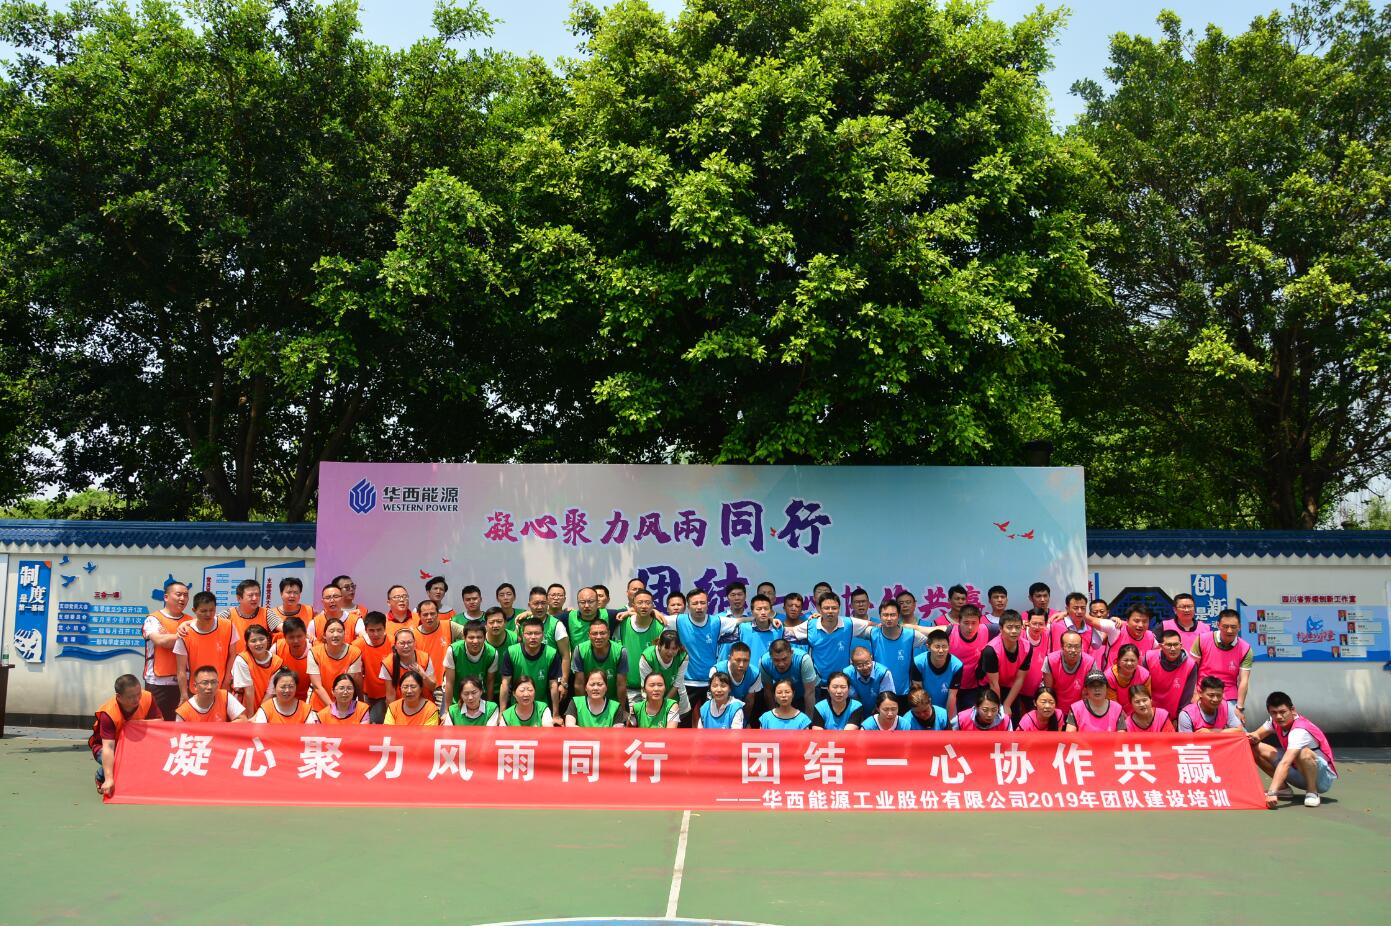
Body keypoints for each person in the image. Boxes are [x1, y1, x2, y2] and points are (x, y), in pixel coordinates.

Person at [1249, 691, 1337, 807]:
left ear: (1292, 710)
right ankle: (1283, 789)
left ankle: (1312, 793)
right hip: (1299, 772)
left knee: (1303, 753)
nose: (1279, 716)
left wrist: (1271, 792)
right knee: (1254, 747)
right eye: (1274, 713)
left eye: (1283, 712)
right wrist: (1250, 738)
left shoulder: (1299, 731)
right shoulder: (1274, 721)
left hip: (1321, 779)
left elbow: (1286, 762)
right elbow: (1256, 735)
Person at [675, 587, 748, 718]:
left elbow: (739, 620)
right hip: (687, 682)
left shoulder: (717, 621)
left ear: (707, 604)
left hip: (711, 682)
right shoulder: (679, 620)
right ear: (688, 606)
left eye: (702, 603)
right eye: (695, 603)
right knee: (683, 720)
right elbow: (656, 618)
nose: (699, 607)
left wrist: (768, 619)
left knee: (713, 720)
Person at [90, 674, 161, 796]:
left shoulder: (147, 697)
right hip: (104, 747)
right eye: (131, 697)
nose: (137, 699)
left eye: (138, 694)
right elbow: (108, 748)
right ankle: (101, 775)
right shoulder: (108, 714)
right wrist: (109, 779)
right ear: (119, 697)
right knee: (121, 761)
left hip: (133, 744)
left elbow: (159, 722)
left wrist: (134, 724)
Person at [1191, 609, 1253, 725]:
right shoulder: (1202, 640)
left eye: (1233, 627)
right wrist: (1194, 694)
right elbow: (1191, 671)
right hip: (1203, 692)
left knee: (1239, 730)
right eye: (1225, 626)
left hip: (1229, 696)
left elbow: (1244, 680)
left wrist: (1239, 708)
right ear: (1218, 625)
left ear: (1239, 627)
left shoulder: (1246, 649)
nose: (1229, 630)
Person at [173, 590, 238, 697]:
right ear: (194, 610)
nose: (208, 614)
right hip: (196, 691)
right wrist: (183, 694)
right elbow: (181, 670)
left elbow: (232, 655)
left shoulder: (228, 626)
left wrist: (227, 680)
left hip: (221, 688)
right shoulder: (185, 634)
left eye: (212, 610)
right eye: (203, 611)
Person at [498, 616, 563, 718]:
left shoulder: (551, 653)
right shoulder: (511, 652)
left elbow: (553, 685)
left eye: (537, 633)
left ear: (543, 635)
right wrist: (502, 712)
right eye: (529, 633)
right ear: (522, 634)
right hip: (516, 705)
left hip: (541, 707)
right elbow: (505, 684)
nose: (533, 637)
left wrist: (555, 714)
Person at [141, 582, 188, 719]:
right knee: (157, 722)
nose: (182, 598)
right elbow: (161, 641)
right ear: (166, 597)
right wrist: (182, 636)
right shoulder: (153, 619)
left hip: (183, 682)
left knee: (180, 722)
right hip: (158, 682)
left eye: (186, 595)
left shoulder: (190, 620)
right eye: (178, 594)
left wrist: (169, 636)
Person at [980, 609, 1032, 720]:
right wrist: (999, 707)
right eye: (1009, 627)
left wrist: (1007, 705)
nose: (1014, 631)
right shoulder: (991, 650)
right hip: (989, 686)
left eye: (1017, 627)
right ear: (1000, 628)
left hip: (1010, 686)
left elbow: (1020, 679)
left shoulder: (1028, 647)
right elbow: (993, 683)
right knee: (995, 716)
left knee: (1013, 717)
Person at [868, 600, 919, 708]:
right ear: (880, 616)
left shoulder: (910, 634)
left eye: (893, 615)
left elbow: (934, 637)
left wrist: (915, 627)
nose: (889, 618)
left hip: (904, 692)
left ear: (899, 616)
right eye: (885, 615)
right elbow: (851, 626)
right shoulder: (872, 633)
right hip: (880, 692)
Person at [307, 617, 364, 711]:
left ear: (344, 634)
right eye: (331, 631)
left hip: (345, 706)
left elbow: (354, 681)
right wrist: (333, 709)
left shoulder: (354, 653)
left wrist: (361, 702)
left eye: (339, 631)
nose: (336, 634)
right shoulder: (314, 652)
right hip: (319, 706)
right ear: (324, 635)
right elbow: (317, 686)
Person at [618, 590, 664, 702]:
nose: (644, 606)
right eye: (640, 603)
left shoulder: (660, 626)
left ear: (653, 605)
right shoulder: (623, 623)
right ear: (633, 605)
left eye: (648, 603)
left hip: (652, 690)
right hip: (627, 688)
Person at [444, 618, 500, 707]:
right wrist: (448, 709)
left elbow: (490, 682)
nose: (475, 641)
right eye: (471, 637)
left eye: (479, 637)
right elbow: (449, 682)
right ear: (464, 637)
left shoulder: (492, 653)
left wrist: (488, 706)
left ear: (485, 637)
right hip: (455, 696)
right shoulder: (453, 650)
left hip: (478, 696)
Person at [1145, 628, 1199, 720]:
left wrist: (1179, 717)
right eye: (1169, 645)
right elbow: (1143, 688)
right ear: (1161, 646)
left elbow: (1187, 696)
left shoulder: (1190, 665)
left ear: (1181, 645)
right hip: (1150, 712)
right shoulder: (1149, 658)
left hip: (1175, 714)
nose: (1173, 649)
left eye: (1176, 645)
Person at [1042, 630, 1095, 720]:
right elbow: (1049, 691)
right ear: (1062, 646)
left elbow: (1089, 692)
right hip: (1056, 710)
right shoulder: (1050, 660)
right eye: (1069, 646)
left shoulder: (1090, 662)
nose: (1073, 650)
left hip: (1079, 710)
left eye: (1077, 646)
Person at [570, 618, 627, 702]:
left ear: (609, 634)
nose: (598, 637)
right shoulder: (580, 650)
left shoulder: (620, 651)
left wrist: (620, 708)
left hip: (612, 701)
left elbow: (621, 685)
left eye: (602, 633)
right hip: (589, 701)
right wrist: (582, 707)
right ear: (588, 635)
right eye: (594, 634)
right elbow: (579, 684)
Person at [638, 629, 691, 717]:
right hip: (652, 699)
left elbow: (677, 684)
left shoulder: (683, 657)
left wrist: (663, 705)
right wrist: (655, 706)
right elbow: (646, 686)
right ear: (659, 646)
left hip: (676, 698)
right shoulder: (647, 657)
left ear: (678, 648)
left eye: (674, 648)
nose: (670, 652)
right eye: (667, 648)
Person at [909, 629, 961, 719]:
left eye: (944, 646)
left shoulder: (957, 666)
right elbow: (918, 693)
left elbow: (952, 695)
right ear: (928, 647)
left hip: (947, 707)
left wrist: (947, 720)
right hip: (924, 708)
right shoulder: (918, 662)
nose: (941, 650)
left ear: (949, 646)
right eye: (937, 647)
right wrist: (927, 715)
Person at [758, 639, 817, 717]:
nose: (781, 664)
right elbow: (768, 691)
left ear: (791, 653)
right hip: (781, 697)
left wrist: (808, 720)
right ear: (770, 656)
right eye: (776, 660)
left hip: (804, 694)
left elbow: (809, 692)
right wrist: (775, 717)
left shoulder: (803, 660)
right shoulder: (764, 662)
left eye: (784, 659)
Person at [412, 599, 457, 703]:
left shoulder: (449, 625)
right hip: (422, 687)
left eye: (432, 613)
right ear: (419, 615)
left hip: (444, 686)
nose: (429, 617)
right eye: (425, 614)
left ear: (438, 614)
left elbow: (470, 634)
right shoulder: (413, 635)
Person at [232, 625, 283, 713]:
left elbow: (270, 692)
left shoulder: (277, 662)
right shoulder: (242, 660)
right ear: (247, 643)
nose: (258, 643)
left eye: (261, 639)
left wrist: (258, 715)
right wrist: (251, 715)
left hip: (265, 708)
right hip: (242, 709)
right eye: (253, 641)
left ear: (268, 639)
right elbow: (248, 690)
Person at [355, 611, 394, 723]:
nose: (375, 634)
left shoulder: (393, 642)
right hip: (365, 693)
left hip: (386, 694)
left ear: (385, 628)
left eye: (379, 630)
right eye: (371, 630)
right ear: (366, 630)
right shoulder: (357, 645)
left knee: (377, 723)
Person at [381, 627, 437, 704]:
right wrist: (392, 711)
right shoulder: (388, 663)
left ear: (414, 643)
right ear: (395, 646)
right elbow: (390, 696)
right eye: (402, 643)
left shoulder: (425, 658)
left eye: (409, 642)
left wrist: (423, 675)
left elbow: (433, 687)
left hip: (425, 704)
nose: (406, 646)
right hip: (401, 706)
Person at [1093, 603, 1157, 667]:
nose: (1141, 625)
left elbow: (1159, 653)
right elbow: (1091, 621)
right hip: (1112, 673)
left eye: (1145, 621)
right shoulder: (1117, 628)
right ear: (1127, 621)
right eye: (1136, 621)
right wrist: (1112, 620)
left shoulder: (1150, 637)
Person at [175, 665, 247, 722]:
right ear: (195, 686)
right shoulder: (183, 712)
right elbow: (178, 734)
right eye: (205, 683)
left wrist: (220, 730)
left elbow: (243, 719)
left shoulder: (225, 696)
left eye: (213, 682)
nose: (210, 687)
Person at [1177, 676, 1243, 734]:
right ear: (1200, 693)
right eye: (1211, 695)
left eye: (1219, 695)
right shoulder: (1186, 715)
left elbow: (1239, 730)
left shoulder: (1226, 707)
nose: (1215, 699)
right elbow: (1186, 741)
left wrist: (1214, 732)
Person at [222, 579, 269, 654]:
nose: (255, 598)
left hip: (260, 658)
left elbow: (283, 627)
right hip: (235, 659)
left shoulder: (267, 613)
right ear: (239, 598)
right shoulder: (228, 614)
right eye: (250, 595)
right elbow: (212, 623)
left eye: (257, 594)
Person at [1104, 644, 1151, 715]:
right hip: (1116, 712)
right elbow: (1112, 703)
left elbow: (1146, 699)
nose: (1129, 663)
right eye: (1126, 660)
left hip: (1138, 711)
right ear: (1118, 661)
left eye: (1133, 660)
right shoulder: (1109, 676)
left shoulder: (1144, 675)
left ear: (1138, 661)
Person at [274, 617, 313, 701]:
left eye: (299, 636)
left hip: (307, 700)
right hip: (282, 698)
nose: (296, 641)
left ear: (305, 634)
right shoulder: (277, 648)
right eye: (291, 637)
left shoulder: (315, 649)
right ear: (285, 637)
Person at [712, 642, 763, 706]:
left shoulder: (755, 674)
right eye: (738, 660)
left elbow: (749, 702)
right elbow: (714, 700)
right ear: (729, 658)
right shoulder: (716, 671)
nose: (741, 665)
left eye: (745, 660)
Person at [1048, 592, 1098, 656]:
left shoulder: (1090, 629)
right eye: (1075, 608)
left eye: (1083, 608)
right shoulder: (1055, 625)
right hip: (1058, 662)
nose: (1080, 611)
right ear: (1067, 609)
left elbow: (1097, 646)